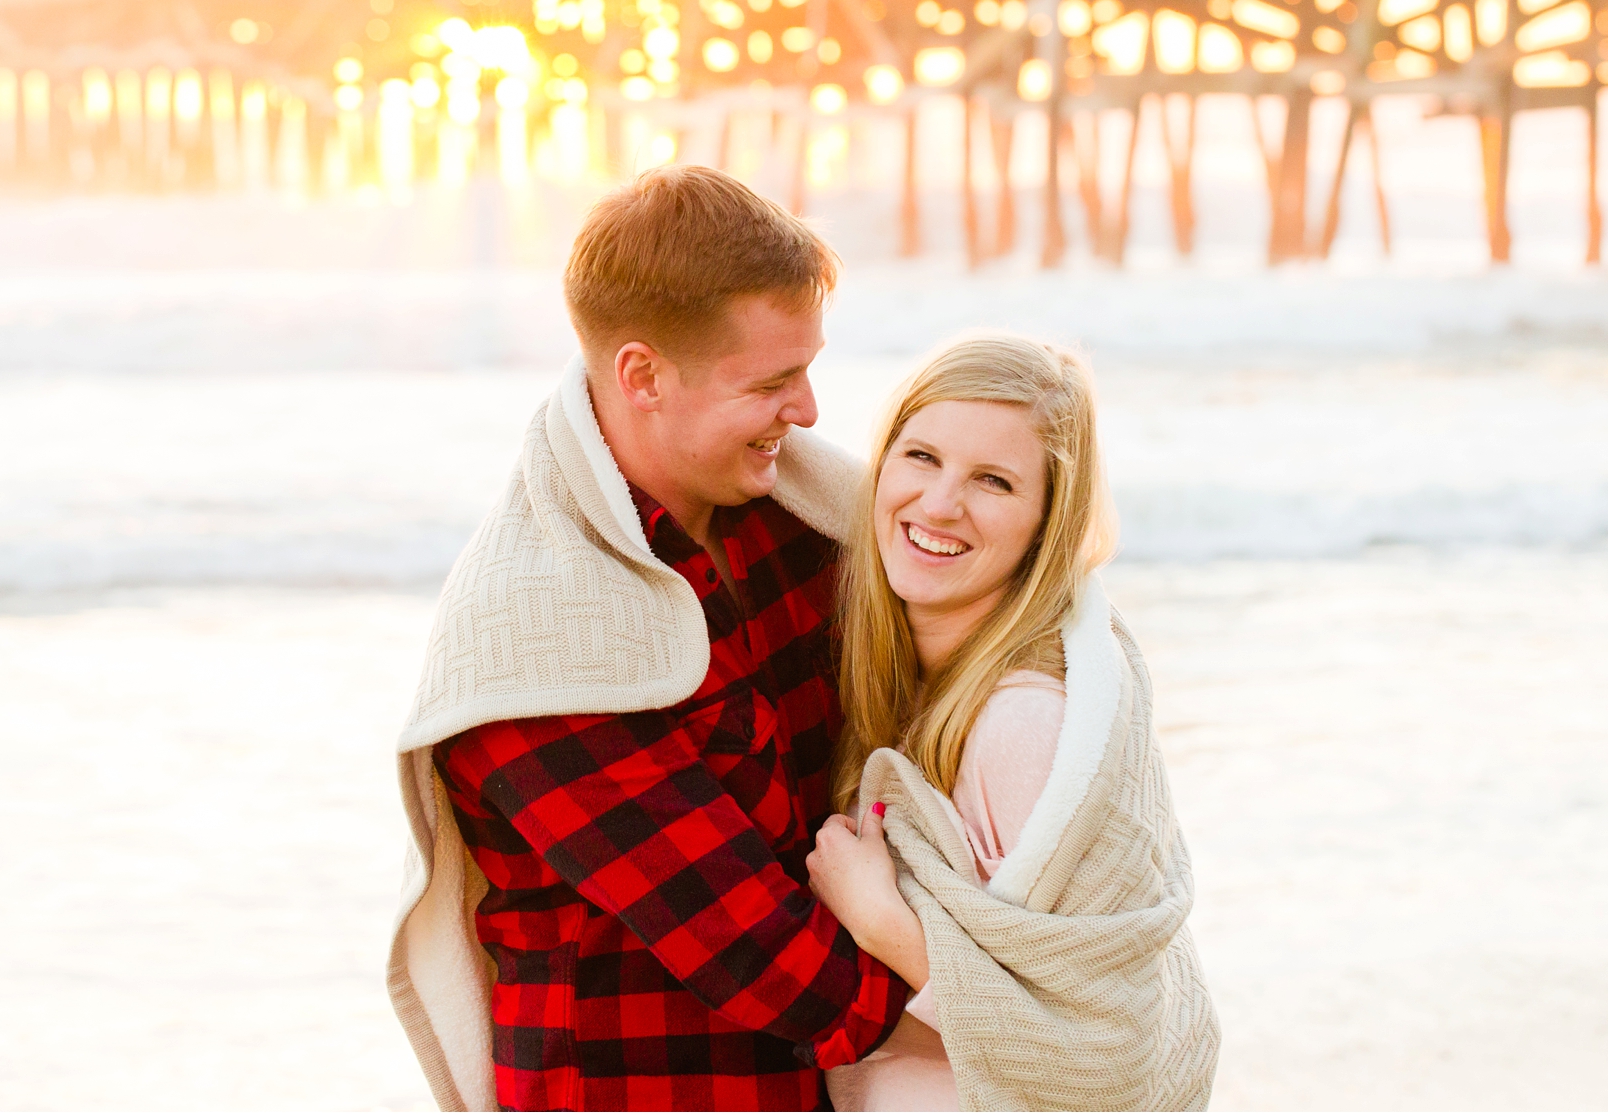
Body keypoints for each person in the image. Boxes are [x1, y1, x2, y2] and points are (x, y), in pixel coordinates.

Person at [388, 169, 909, 1110]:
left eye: (809, 366)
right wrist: (1040, 1015)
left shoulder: (798, 522)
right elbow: (776, 965)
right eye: (772, 380)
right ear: (642, 375)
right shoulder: (540, 639)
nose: (810, 410)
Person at [805, 337, 1220, 1113]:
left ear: (1044, 522)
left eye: (992, 481)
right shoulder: (906, 677)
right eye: (921, 455)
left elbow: (1097, 1044)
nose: (938, 502)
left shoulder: (1022, 726)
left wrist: (882, 921)